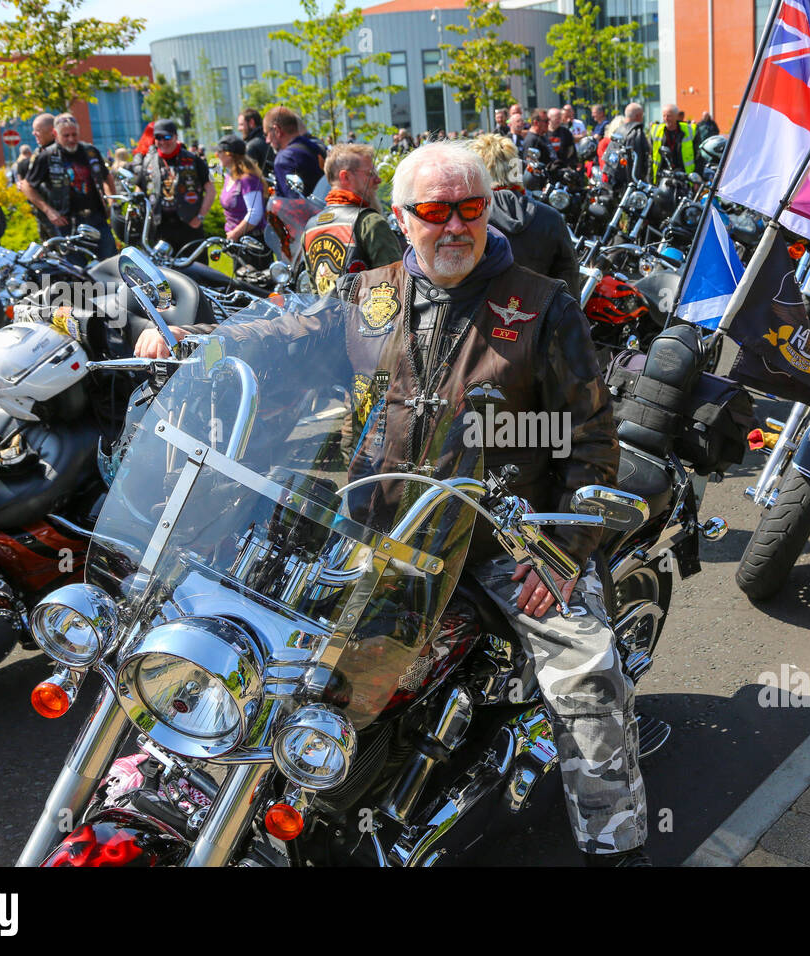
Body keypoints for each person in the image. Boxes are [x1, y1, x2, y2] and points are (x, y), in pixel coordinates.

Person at [134, 142, 648, 865]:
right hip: (379, 524)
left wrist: (564, 553)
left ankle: (615, 844)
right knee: (269, 637)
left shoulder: (540, 304)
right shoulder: (368, 293)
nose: (455, 227)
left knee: (587, 672)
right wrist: (196, 341)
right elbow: (286, 334)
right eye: (435, 212)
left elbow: (591, 433)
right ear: (401, 218)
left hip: (504, 535)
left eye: (470, 209)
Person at [468, 133, 578, 291]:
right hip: (540, 310)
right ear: (515, 166)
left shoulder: (470, 218)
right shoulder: (550, 216)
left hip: (484, 312)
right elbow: (569, 277)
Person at [302, 143, 400, 295]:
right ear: (345, 176)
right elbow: (396, 284)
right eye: (370, 174)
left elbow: (316, 293)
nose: (378, 180)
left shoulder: (310, 227)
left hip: (327, 318)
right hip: (367, 317)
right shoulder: (370, 222)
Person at [21, 112, 118, 260]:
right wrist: (49, 211)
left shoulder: (90, 151)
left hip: (96, 217)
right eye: (66, 136)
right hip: (67, 221)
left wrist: (112, 202)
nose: (71, 139)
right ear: (55, 134)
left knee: (110, 260)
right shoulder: (47, 156)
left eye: (74, 134)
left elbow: (107, 176)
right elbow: (27, 186)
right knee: (76, 268)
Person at [136, 117, 214, 263]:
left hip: (190, 226)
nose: (163, 141)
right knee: (166, 276)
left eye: (167, 137)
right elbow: (139, 189)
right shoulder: (148, 161)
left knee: (198, 272)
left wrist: (200, 217)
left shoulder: (192, 159)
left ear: (176, 137)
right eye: (158, 137)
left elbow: (210, 189)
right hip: (161, 229)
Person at [215, 135, 271, 270]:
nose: (217, 155)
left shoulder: (247, 180)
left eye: (220, 152)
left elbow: (255, 213)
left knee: (256, 287)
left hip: (252, 244)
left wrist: (235, 234)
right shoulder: (230, 177)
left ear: (229, 155)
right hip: (238, 242)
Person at [266, 106, 325, 198]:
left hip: (308, 211)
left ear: (277, 130)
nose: (267, 140)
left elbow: (292, 205)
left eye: (267, 134)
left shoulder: (284, 159)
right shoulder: (317, 147)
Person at [18, 112, 59, 240]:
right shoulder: (38, 152)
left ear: (52, 131)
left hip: (57, 214)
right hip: (43, 211)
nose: (33, 134)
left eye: (37, 130)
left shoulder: (56, 152)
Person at [648, 103, 701, 182]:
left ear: (676, 116)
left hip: (684, 177)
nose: (666, 118)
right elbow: (650, 156)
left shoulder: (690, 130)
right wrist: (650, 178)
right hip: (662, 176)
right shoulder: (656, 131)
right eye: (664, 116)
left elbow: (699, 156)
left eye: (669, 116)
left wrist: (697, 178)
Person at [617, 102, 651, 183]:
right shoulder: (636, 132)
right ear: (638, 116)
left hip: (617, 180)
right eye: (642, 115)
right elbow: (639, 158)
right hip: (631, 180)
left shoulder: (618, 130)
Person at [237, 108, 272, 175]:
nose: (239, 129)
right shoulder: (273, 140)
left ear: (251, 123)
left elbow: (247, 176)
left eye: (241, 125)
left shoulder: (251, 146)